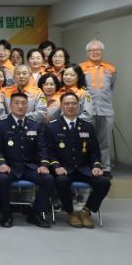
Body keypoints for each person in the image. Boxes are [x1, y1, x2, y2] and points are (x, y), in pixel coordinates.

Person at [46, 92, 111, 228]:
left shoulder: (88, 127)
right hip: (64, 169)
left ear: (79, 106)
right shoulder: (52, 127)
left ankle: (86, 211)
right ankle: (70, 212)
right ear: (61, 106)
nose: (70, 106)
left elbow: (94, 151)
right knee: (61, 181)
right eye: (67, 103)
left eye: (74, 103)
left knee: (104, 182)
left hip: (84, 169)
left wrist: (96, 166)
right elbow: (49, 152)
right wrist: (56, 166)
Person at [0, 92, 54, 228]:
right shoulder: (1, 125)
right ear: (10, 105)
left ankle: (35, 213)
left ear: (28, 106)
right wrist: (2, 163)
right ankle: (6, 214)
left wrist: (44, 165)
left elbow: (42, 148)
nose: (20, 106)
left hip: (28, 167)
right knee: (1, 179)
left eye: (23, 103)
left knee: (48, 179)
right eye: (16, 103)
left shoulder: (35, 125)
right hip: (9, 166)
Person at [80, 39, 116, 178]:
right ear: (87, 52)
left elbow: (111, 86)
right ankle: (86, 166)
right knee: (85, 140)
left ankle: (105, 168)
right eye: (91, 50)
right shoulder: (81, 68)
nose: (95, 52)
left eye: (98, 50)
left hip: (105, 110)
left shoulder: (110, 68)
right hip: (87, 111)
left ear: (102, 51)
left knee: (104, 141)